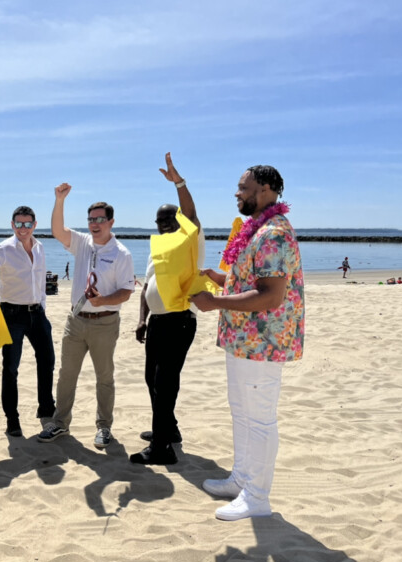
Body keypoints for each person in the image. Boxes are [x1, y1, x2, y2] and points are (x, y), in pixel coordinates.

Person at [191, 165, 304, 521]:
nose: (237, 194)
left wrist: (217, 302)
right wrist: (219, 278)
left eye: (244, 188)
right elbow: (248, 281)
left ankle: (257, 497)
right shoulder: (255, 229)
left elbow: (270, 295)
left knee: (259, 419)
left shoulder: (273, 233)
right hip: (243, 340)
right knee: (241, 410)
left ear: (267, 189)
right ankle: (241, 478)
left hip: (263, 342)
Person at [38, 183, 135, 449]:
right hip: (76, 320)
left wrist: (103, 300)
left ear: (111, 222)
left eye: (100, 219)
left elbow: (127, 291)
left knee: (104, 377)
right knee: (66, 374)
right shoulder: (82, 243)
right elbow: (57, 231)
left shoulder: (121, 253)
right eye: (91, 219)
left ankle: (104, 428)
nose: (94, 224)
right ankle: (60, 423)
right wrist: (59, 200)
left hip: (105, 323)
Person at [130, 152, 204, 466]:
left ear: (179, 222)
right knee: (152, 379)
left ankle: (162, 449)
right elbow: (147, 288)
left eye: (168, 220)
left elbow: (190, 211)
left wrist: (179, 183)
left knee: (165, 382)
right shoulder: (157, 250)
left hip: (179, 321)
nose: (163, 225)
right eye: (159, 222)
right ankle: (168, 429)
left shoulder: (190, 240)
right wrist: (142, 320)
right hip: (157, 322)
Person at [0, 206, 56, 437]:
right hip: (12, 315)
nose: (23, 228)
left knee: (47, 361)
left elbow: (40, 282)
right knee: (11, 368)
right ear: (12, 225)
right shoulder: (5, 248)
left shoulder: (40, 248)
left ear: (34, 225)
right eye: (19, 224)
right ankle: (12, 419)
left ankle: (46, 409)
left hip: (37, 313)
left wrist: (43, 308)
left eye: (27, 224)